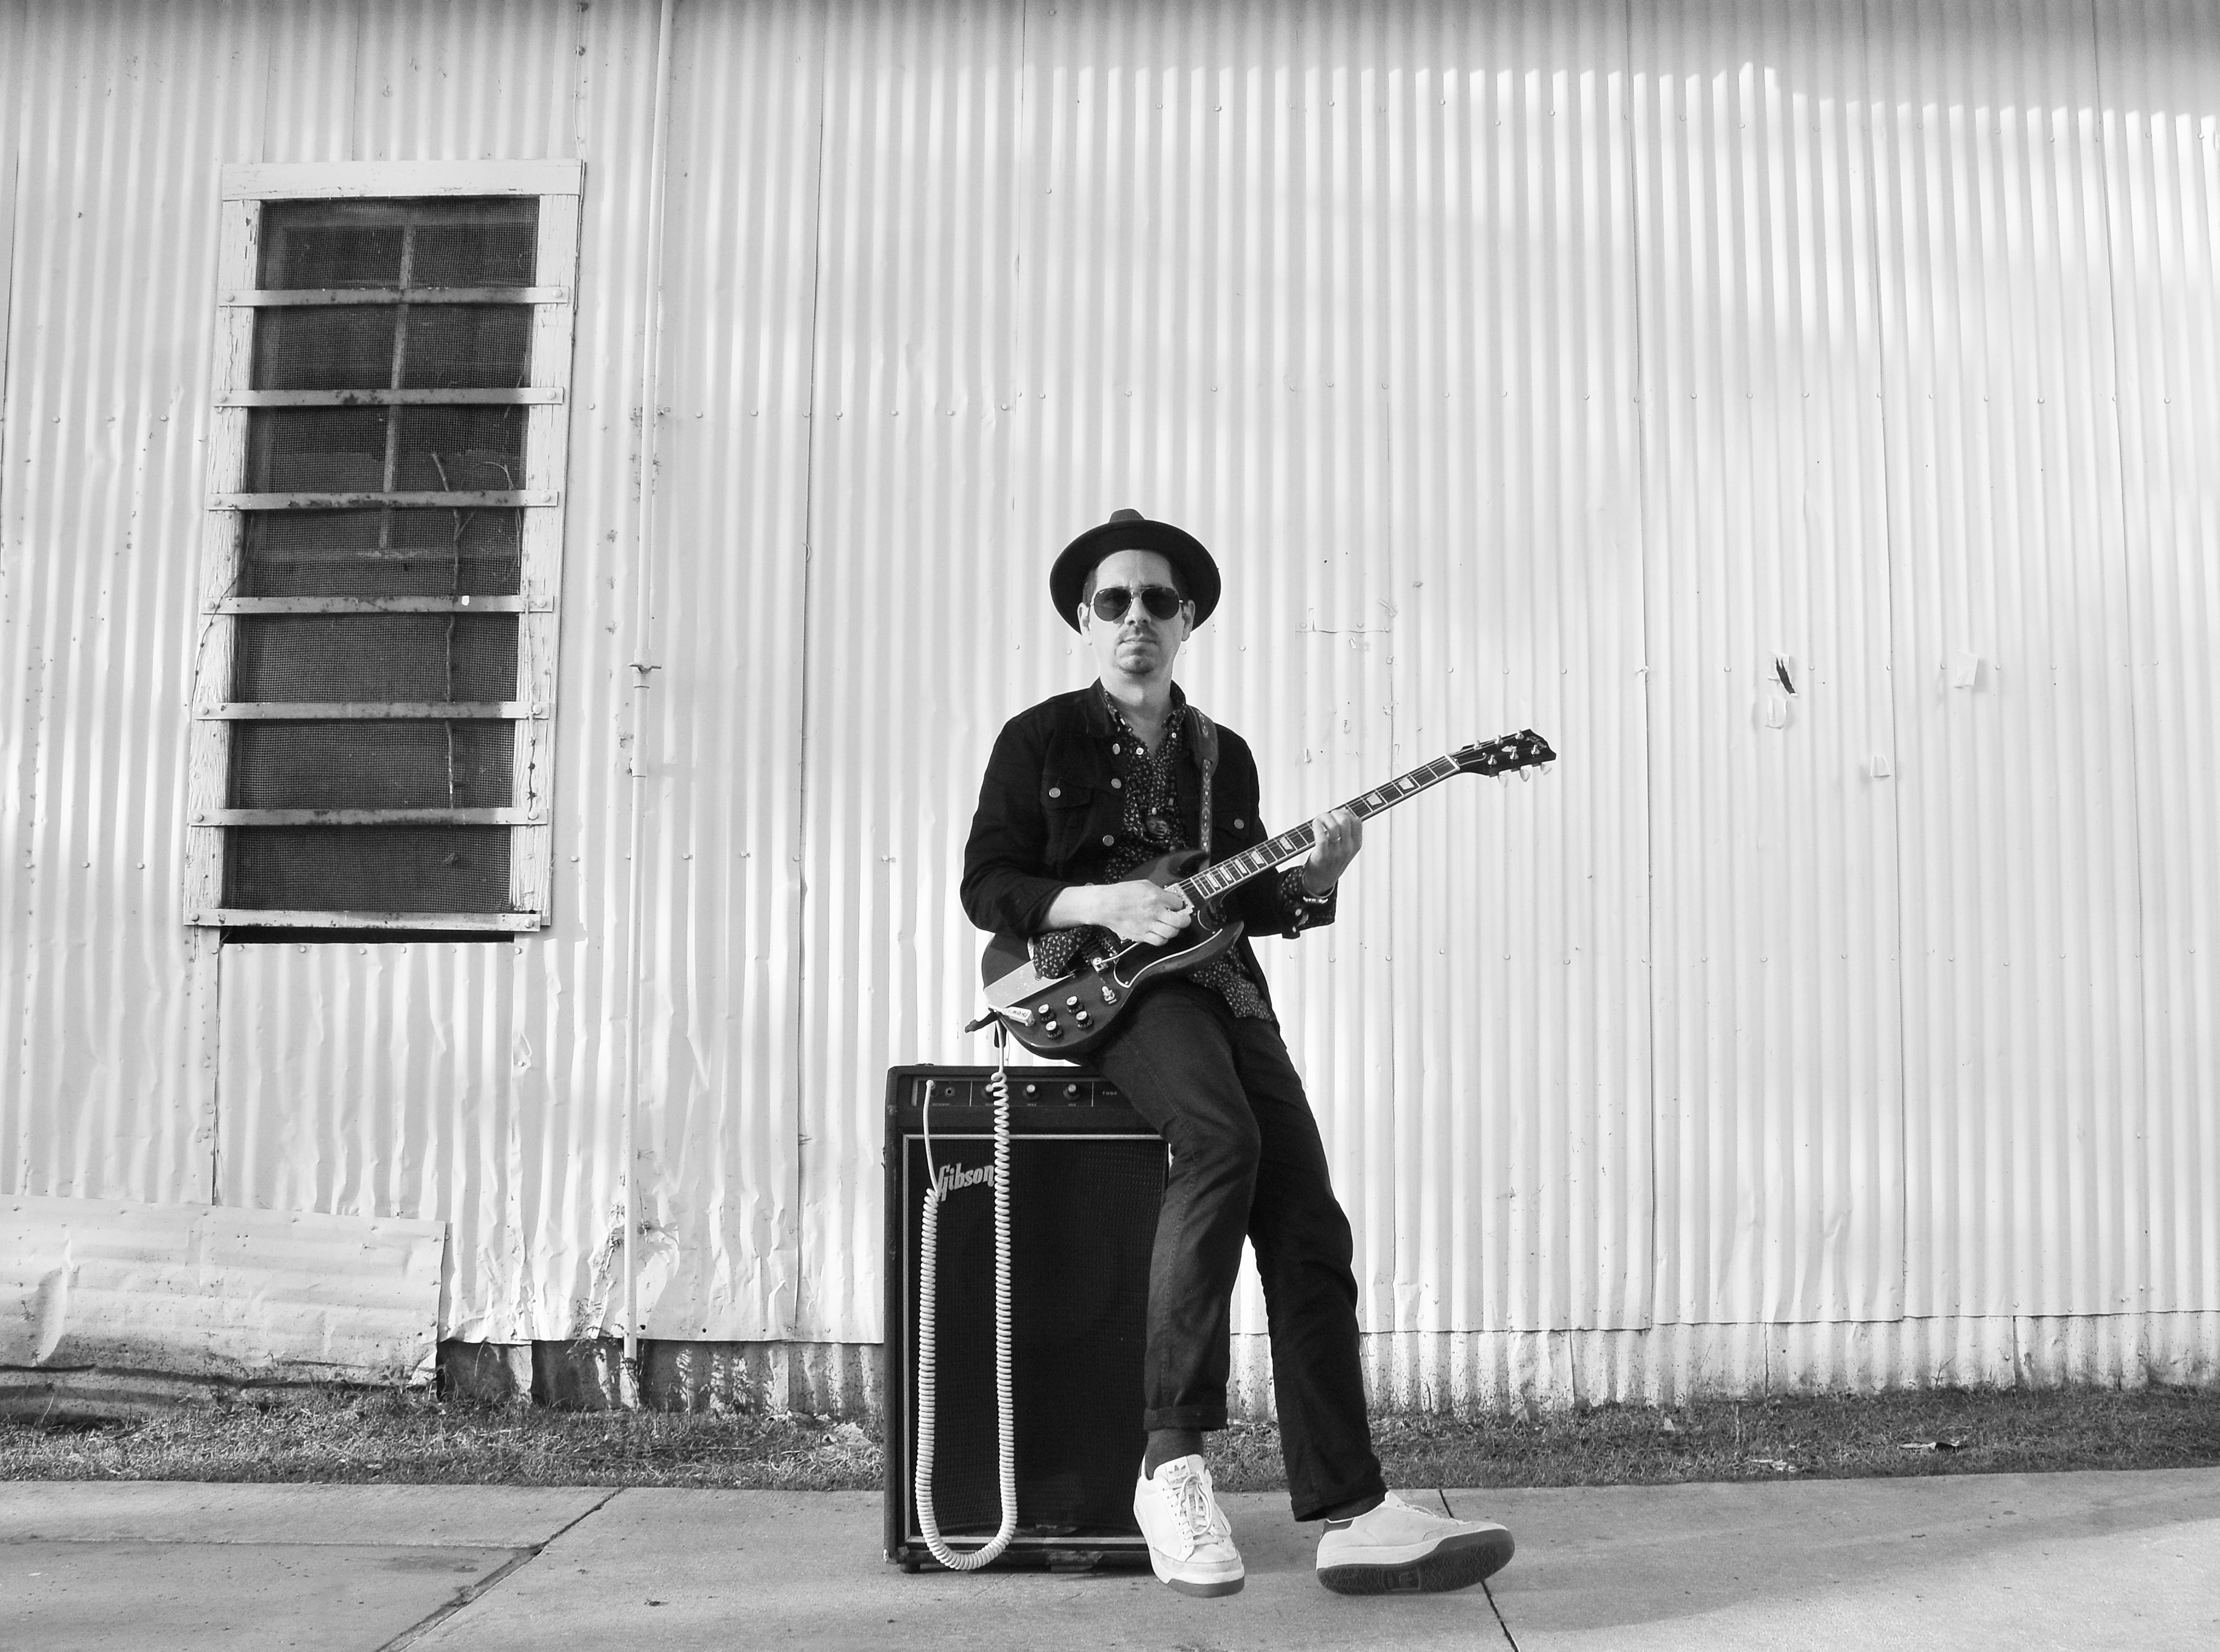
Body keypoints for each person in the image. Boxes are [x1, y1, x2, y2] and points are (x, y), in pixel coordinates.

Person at [960, 508, 1515, 1598]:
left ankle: (1354, 1511)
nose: (1135, 618)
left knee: (1309, 1221)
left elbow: (1248, 902)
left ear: (1188, 620)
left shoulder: (1226, 756)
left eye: (1157, 601)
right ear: (1084, 618)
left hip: (1222, 993)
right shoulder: (1041, 739)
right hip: (1100, 989)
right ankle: (1169, 1464)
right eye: (1113, 601)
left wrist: (1316, 880)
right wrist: (1111, 900)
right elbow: (989, 885)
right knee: (1217, 1142)